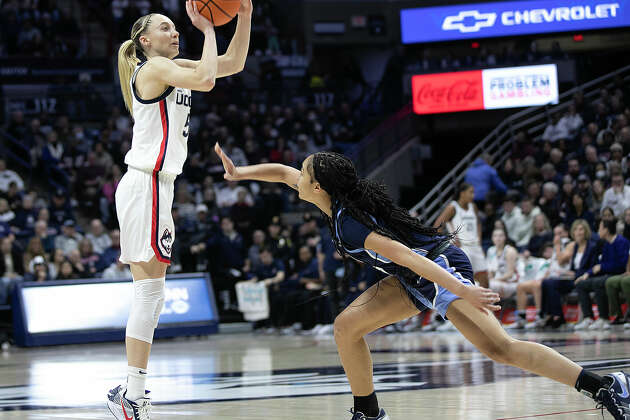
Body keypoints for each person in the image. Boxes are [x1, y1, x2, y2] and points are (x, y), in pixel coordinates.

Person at [214, 143, 630, 420]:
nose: (295, 178)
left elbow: (408, 256)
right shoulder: (330, 200)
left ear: (318, 186)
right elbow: (283, 172)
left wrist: (463, 288)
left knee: (500, 348)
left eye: (303, 174)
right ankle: (368, 412)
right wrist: (239, 173)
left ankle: (605, 385)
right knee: (346, 327)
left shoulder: (351, 224)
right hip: (413, 278)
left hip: (438, 268)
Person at [107, 1, 252, 419]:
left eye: (176, 28)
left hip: (158, 187)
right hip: (145, 183)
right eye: (166, 28)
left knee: (152, 292)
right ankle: (132, 397)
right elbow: (207, 78)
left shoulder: (175, 66)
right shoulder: (152, 70)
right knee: (149, 292)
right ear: (144, 41)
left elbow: (233, 62)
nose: (175, 33)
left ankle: (131, 393)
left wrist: (244, 14)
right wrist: (207, 28)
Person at [574, 218, 629, 331]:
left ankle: (604, 318)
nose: (598, 231)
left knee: (598, 282)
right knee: (581, 284)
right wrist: (587, 274)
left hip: (618, 274)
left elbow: (622, 265)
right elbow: (599, 265)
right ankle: (588, 317)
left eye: (600, 228)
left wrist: (603, 267)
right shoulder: (606, 244)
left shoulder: (621, 242)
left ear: (606, 230)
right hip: (606, 274)